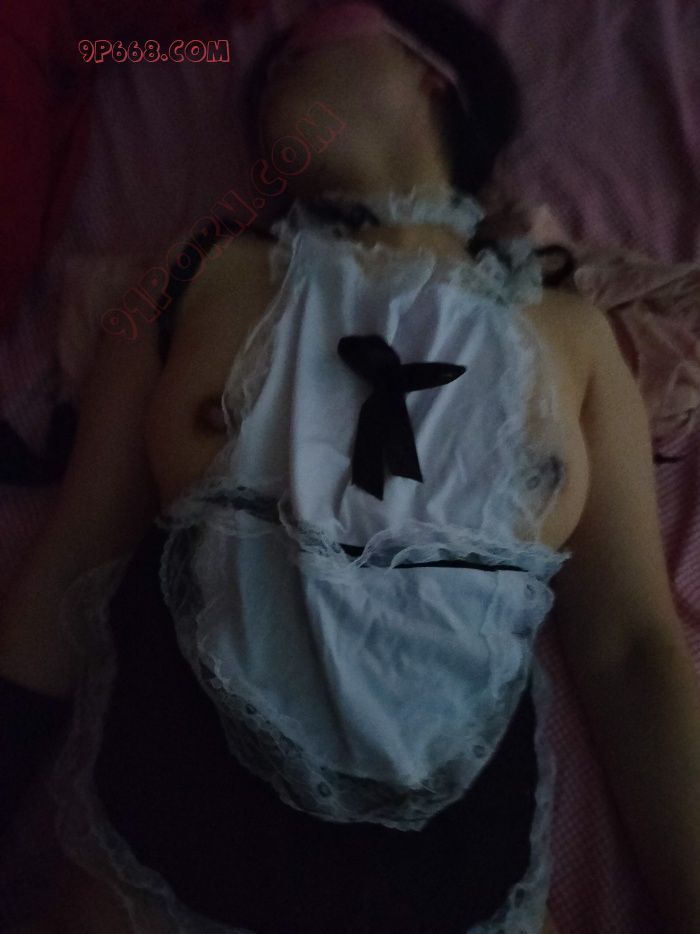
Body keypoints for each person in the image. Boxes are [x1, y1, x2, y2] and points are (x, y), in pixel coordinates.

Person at [1, 2, 699, 932]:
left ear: (431, 73)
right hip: (166, 841)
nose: (272, 68)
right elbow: (75, 556)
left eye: (313, 38)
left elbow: (632, 651)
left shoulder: (573, 333)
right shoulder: (197, 273)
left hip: (455, 878)